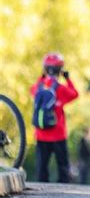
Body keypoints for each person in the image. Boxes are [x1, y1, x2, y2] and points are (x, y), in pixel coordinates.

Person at [31, 52, 79, 183]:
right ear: (60, 69)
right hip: (58, 134)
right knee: (63, 167)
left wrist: (41, 78)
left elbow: (32, 90)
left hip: (41, 134)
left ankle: (42, 189)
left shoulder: (38, 87)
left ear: (45, 68)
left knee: (42, 168)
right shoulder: (61, 89)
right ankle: (62, 191)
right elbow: (75, 94)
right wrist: (68, 79)